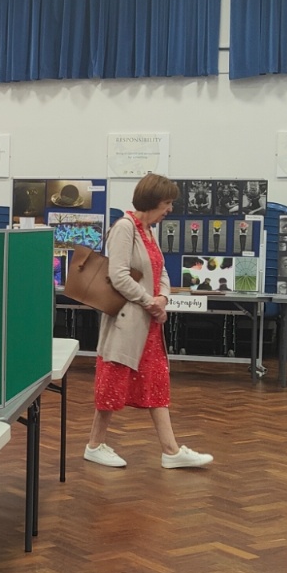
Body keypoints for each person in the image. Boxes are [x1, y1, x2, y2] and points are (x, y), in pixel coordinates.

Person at [82, 173, 214, 470]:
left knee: (156, 384)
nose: (170, 209)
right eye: (167, 202)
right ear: (152, 201)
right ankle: (94, 445)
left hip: (148, 323)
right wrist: (149, 301)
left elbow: (161, 271)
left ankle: (170, 450)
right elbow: (118, 275)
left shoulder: (148, 231)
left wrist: (163, 297)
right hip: (127, 323)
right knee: (112, 383)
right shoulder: (125, 228)